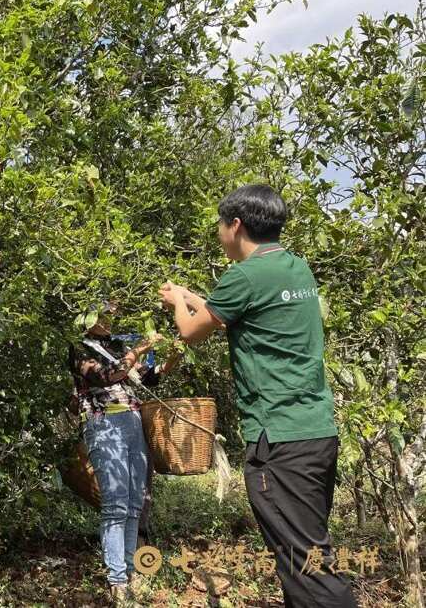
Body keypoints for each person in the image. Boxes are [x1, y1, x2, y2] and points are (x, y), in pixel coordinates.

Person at [159, 184, 357, 608]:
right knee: (302, 554)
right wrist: (196, 299)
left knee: (308, 564)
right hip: (316, 430)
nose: (218, 234)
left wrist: (178, 300)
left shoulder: (244, 276)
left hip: (279, 439)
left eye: (220, 226)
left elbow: (191, 332)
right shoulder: (294, 267)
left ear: (236, 225)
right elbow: (246, 317)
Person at [67, 302, 173, 605]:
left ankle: (129, 571)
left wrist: (174, 355)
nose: (110, 320)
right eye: (104, 315)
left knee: (135, 499)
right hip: (104, 424)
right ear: (88, 318)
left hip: (133, 421)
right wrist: (137, 350)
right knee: (115, 503)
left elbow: (149, 377)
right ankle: (117, 579)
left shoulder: (115, 346)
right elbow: (106, 376)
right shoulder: (80, 349)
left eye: (111, 314)